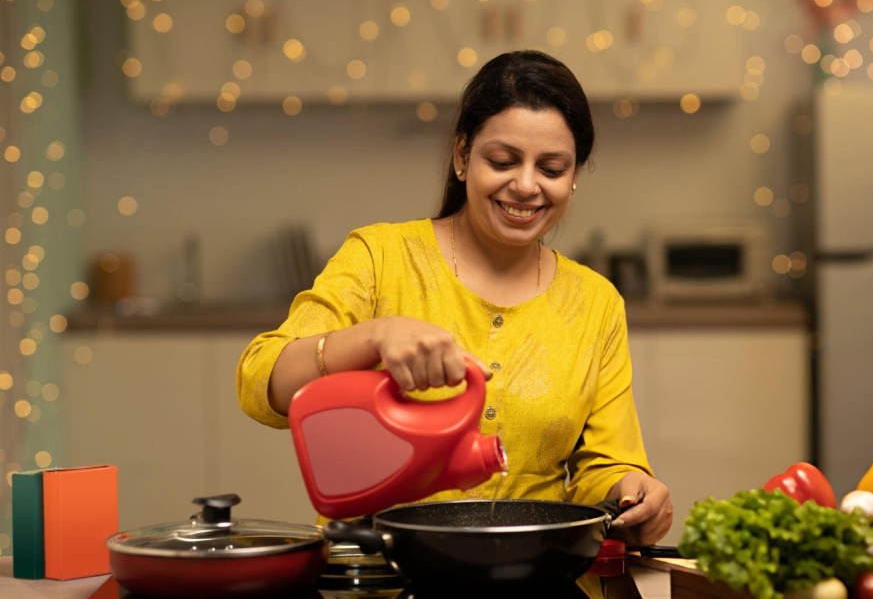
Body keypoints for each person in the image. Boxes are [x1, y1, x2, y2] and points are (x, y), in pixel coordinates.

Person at [236, 50, 672, 596]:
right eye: (503, 160)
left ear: (574, 176)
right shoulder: (379, 257)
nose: (526, 186)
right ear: (462, 156)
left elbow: (604, 470)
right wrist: (373, 336)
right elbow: (261, 383)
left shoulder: (595, 301)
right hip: (381, 577)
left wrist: (635, 492)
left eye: (552, 169)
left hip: (538, 581)